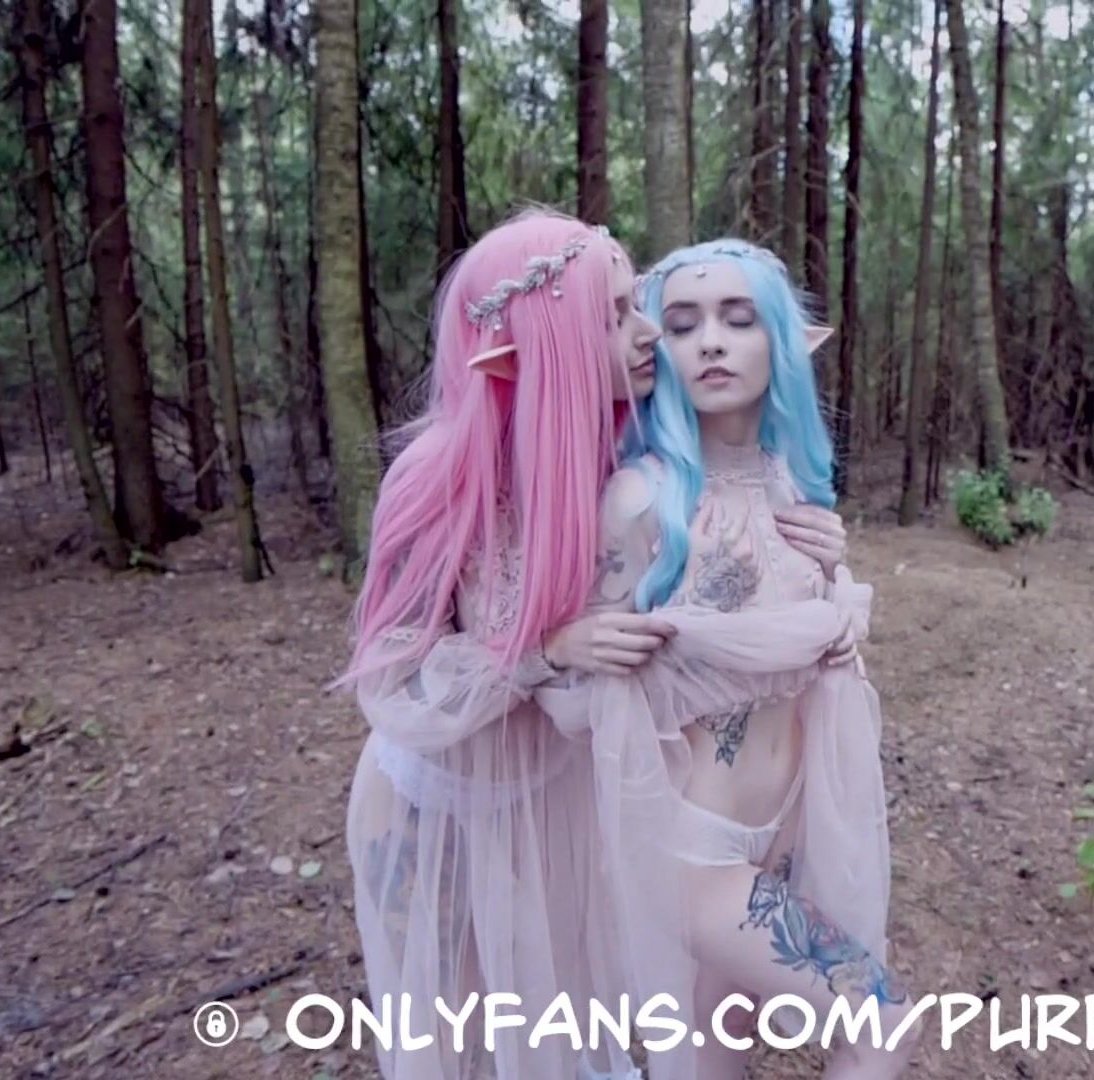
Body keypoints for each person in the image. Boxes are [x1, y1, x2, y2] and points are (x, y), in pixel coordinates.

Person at [334, 213, 849, 1079]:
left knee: (561, 1025)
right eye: (615, 314)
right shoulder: (439, 474)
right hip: (440, 803)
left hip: (557, 791)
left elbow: (715, 546)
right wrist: (545, 649)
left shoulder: (623, 451)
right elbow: (394, 682)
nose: (647, 331)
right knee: (465, 1036)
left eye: (637, 305)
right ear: (549, 339)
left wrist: (816, 560)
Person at [535, 239, 921, 1080]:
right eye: (682, 325)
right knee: (882, 1022)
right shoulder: (640, 499)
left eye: (738, 319)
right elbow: (575, 688)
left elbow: (803, 641)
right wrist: (572, 643)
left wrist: (835, 594)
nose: (711, 341)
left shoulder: (791, 483)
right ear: (654, 347)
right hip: (691, 846)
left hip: (780, 828)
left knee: (717, 1049)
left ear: (779, 339)